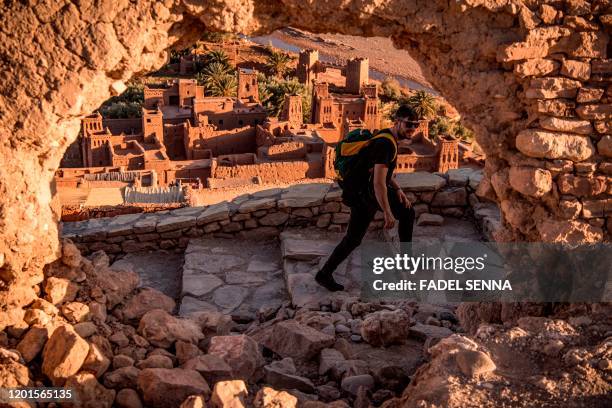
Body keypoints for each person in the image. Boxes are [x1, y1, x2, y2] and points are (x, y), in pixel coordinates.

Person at [315, 104, 419, 291]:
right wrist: (387, 212)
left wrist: (397, 189)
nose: (412, 129)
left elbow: (384, 174)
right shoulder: (386, 144)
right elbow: (379, 183)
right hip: (365, 193)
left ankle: (324, 274)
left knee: (353, 239)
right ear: (397, 122)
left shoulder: (386, 136)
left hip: (359, 191)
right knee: (407, 213)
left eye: (415, 125)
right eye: (409, 124)